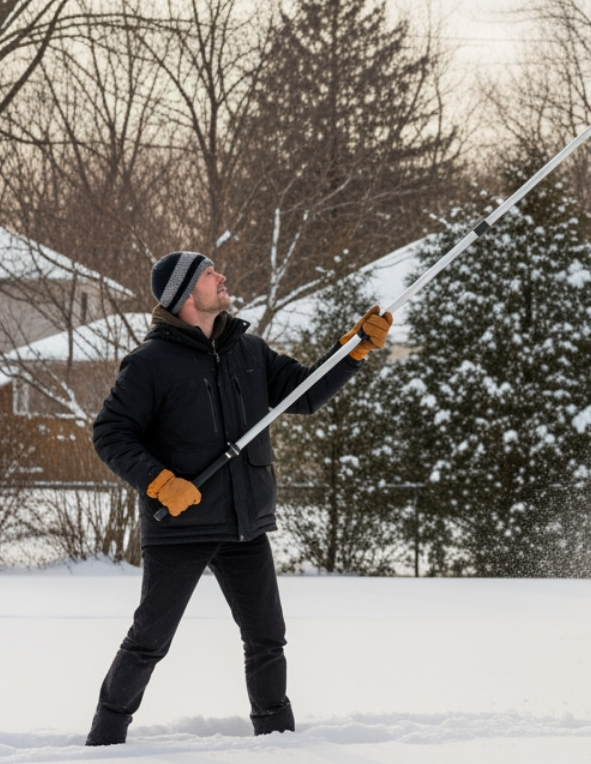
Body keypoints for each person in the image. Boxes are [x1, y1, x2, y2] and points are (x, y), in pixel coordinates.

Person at [85, 251, 391, 745]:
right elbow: (111, 434)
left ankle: (276, 740)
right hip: (180, 526)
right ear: (185, 295)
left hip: (244, 523)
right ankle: (104, 740)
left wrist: (351, 350)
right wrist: (160, 481)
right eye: (210, 274)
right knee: (150, 641)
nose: (222, 276)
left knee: (267, 639)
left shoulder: (247, 350)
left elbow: (304, 393)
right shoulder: (149, 364)